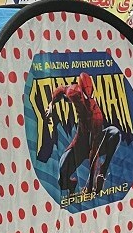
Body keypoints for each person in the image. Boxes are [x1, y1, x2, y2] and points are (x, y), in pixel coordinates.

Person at [44, 72, 121, 202]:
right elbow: (61, 90)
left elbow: (94, 152)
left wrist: (90, 186)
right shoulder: (74, 91)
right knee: (62, 181)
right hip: (79, 145)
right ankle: (71, 184)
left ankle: (104, 169)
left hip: (96, 142)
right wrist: (51, 104)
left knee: (115, 133)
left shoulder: (96, 115)